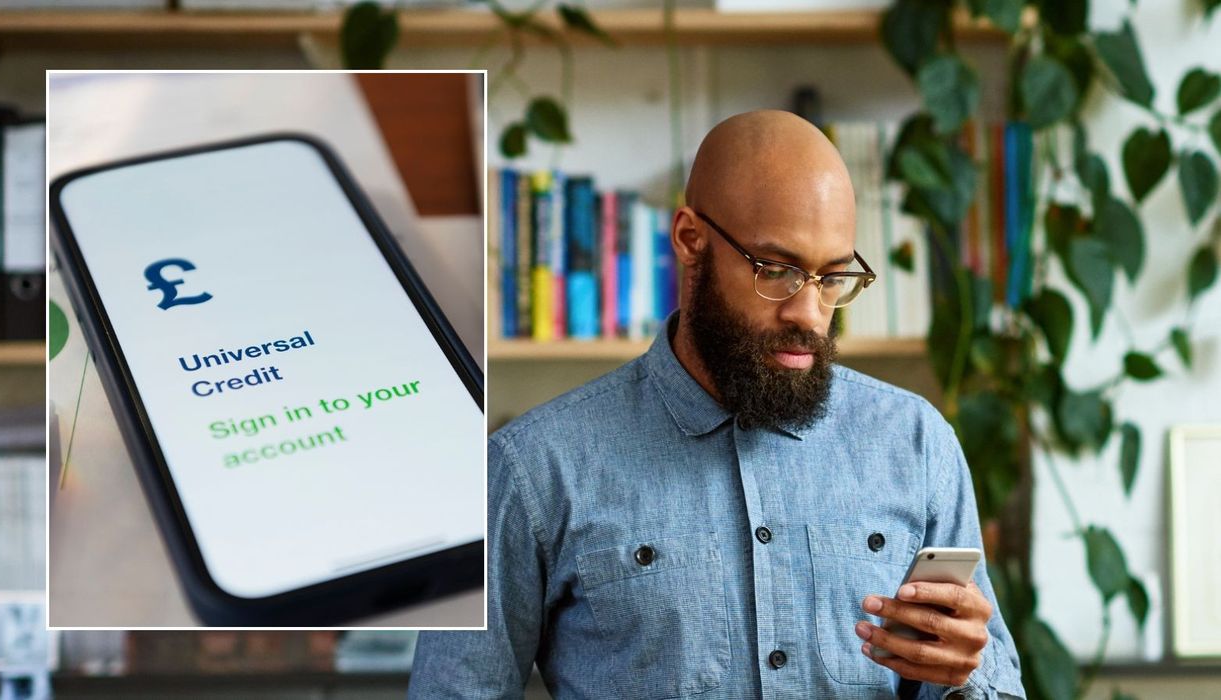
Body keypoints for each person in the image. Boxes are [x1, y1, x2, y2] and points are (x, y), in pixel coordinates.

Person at [409, 110, 1026, 699]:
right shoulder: (530, 470)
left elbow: (986, 676)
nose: (809, 314)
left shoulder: (917, 444)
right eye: (776, 270)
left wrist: (965, 679)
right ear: (690, 240)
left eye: (833, 277)